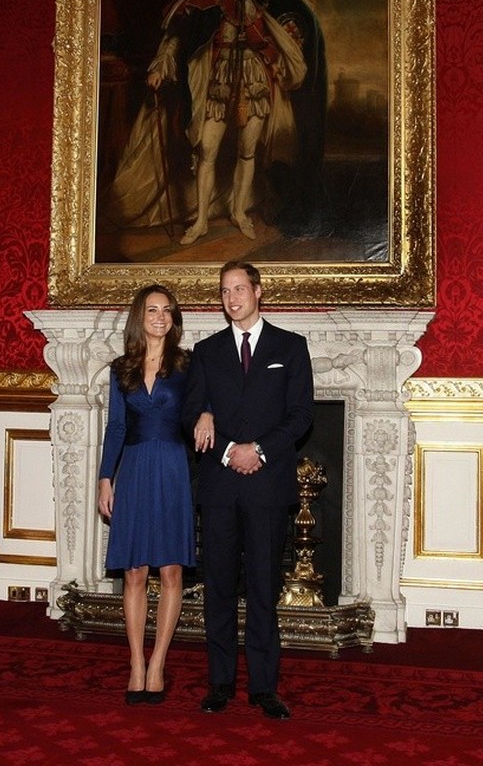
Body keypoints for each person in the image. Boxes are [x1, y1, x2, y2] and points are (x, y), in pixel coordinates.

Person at [184, 261, 314, 719]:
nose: (232, 297)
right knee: (218, 587)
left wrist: (257, 450)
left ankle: (263, 688)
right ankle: (220, 683)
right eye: (224, 291)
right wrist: (221, 444)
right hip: (219, 488)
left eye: (240, 288)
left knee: (262, 588)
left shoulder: (291, 347)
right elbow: (191, 411)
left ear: (259, 292)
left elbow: (301, 416)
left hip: (267, 486)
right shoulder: (205, 350)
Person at [145, 0, 326, 244]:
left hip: (255, 77)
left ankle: (239, 212)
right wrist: (161, 66)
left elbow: (299, 25)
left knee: (246, 151)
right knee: (207, 149)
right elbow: (182, 33)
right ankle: (200, 220)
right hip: (221, 74)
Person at [96, 283, 197, 706]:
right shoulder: (121, 369)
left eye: (167, 310)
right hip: (134, 470)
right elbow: (116, 427)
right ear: (140, 316)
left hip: (174, 468)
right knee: (134, 572)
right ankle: (136, 663)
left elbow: (204, 412)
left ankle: (158, 664)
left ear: (174, 319)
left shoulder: (189, 366)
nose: (159, 316)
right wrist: (105, 478)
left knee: (171, 571)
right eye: (152, 309)